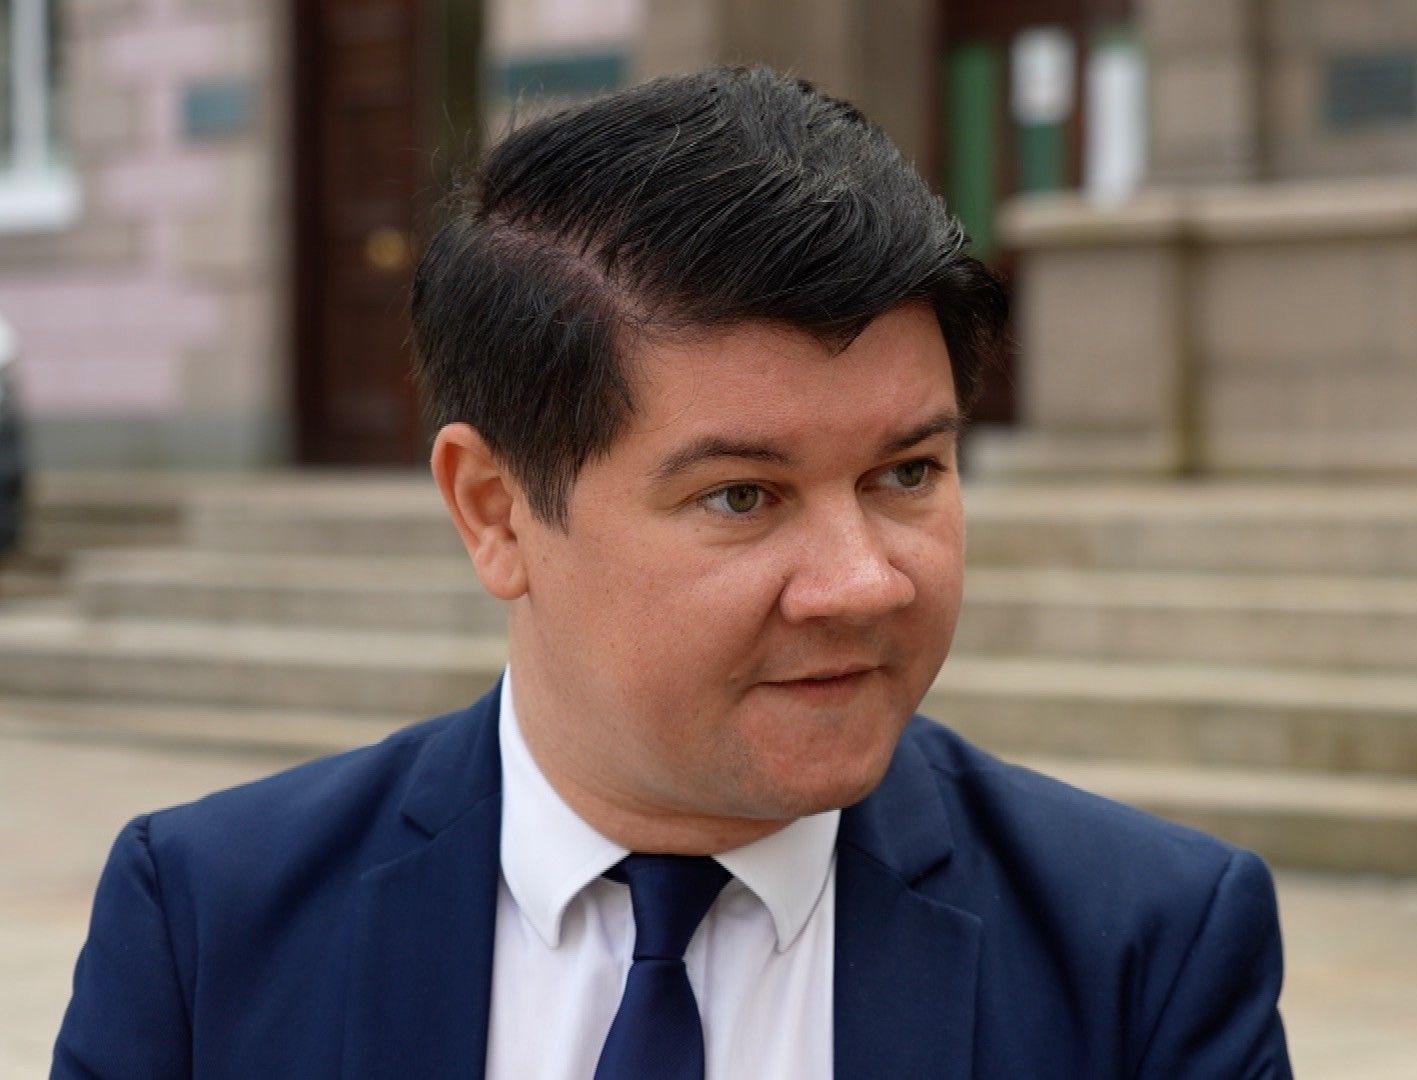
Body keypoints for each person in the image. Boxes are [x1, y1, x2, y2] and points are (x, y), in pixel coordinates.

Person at [52, 67, 1291, 1078]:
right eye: (741, 496)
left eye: (906, 472)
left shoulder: (1146, 950)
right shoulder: (210, 926)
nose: (863, 584)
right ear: (494, 512)